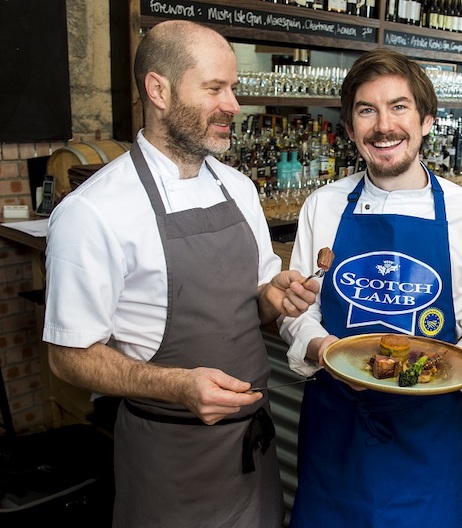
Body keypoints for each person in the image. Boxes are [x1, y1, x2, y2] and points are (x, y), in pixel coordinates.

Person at [42, 20, 319, 528]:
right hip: (169, 458)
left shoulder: (238, 187)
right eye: (215, 88)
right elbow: (68, 357)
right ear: (158, 90)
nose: (234, 105)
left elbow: (253, 304)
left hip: (253, 450)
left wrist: (272, 297)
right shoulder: (94, 211)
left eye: (233, 88)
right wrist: (177, 386)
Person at [278, 48, 462, 527]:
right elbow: (295, 311)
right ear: (349, 129)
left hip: (425, 434)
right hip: (335, 427)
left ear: (427, 120)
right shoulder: (323, 206)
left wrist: (449, 366)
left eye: (399, 107)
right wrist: (321, 345)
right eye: (367, 110)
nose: (383, 126)